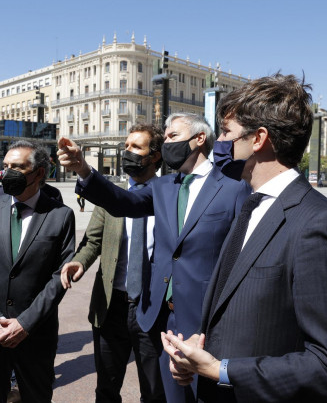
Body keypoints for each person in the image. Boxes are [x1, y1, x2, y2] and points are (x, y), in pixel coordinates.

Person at [161, 73, 327, 402]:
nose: (219, 144)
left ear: (258, 139)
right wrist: (197, 357)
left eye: (227, 133)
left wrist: (222, 370)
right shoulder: (250, 206)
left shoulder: (320, 225)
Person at [58, 112, 250, 402]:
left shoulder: (234, 187)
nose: (168, 141)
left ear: (199, 139)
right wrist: (85, 170)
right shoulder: (162, 188)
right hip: (163, 319)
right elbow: (124, 201)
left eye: (173, 136)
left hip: (208, 321)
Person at [61, 124, 166, 403]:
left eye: (136, 147)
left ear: (154, 156)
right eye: (126, 146)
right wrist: (79, 262)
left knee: (155, 390)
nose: (127, 152)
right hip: (111, 305)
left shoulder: (169, 195)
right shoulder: (111, 195)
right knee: (106, 388)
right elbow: (93, 241)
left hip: (152, 306)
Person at [0, 140, 76, 403]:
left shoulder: (61, 215)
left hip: (36, 333)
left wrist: (25, 323)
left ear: (39, 173)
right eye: (6, 166)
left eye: (18, 167)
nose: (7, 173)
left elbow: (59, 278)